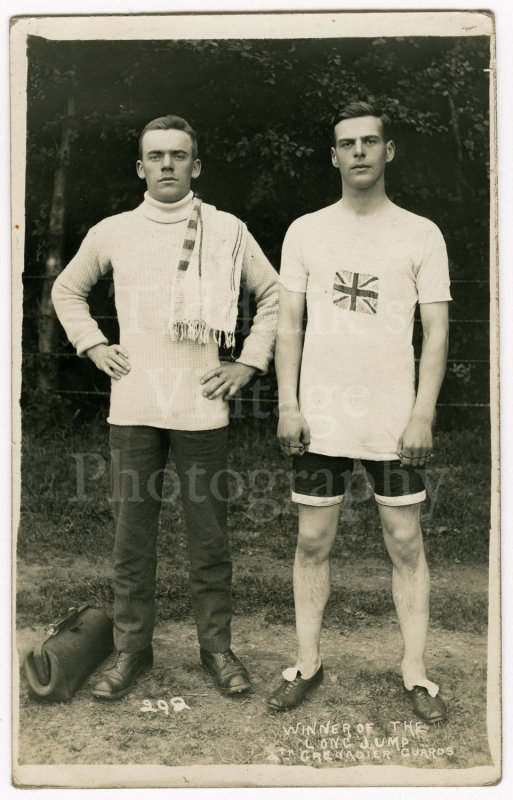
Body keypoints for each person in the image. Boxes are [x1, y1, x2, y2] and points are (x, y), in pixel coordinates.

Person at [52, 114, 279, 700]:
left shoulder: (227, 230)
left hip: (202, 408)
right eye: (156, 156)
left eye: (179, 156)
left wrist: (249, 362)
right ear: (141, 167)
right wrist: (94, 344)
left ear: (195, 165)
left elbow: (275, 293)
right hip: (133, 406)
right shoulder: (113, 231)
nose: (168, 165)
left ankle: (216, 649)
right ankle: (131, 650)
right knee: (132, 538)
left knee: (209, 539)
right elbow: (66, 289)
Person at [267, 101, 450, 723]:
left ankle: (416, 672)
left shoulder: (421, 233)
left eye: (371, 142)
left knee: (404, 539)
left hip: (393, 420)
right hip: (321, 418)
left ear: (388, 151)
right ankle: (307, 663)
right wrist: (288, 404)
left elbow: (438, 332)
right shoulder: (306, 230)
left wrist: (422, 413)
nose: (361, 153)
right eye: (348, 144)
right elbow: (288, 326)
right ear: (335, 155)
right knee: (312, 539)